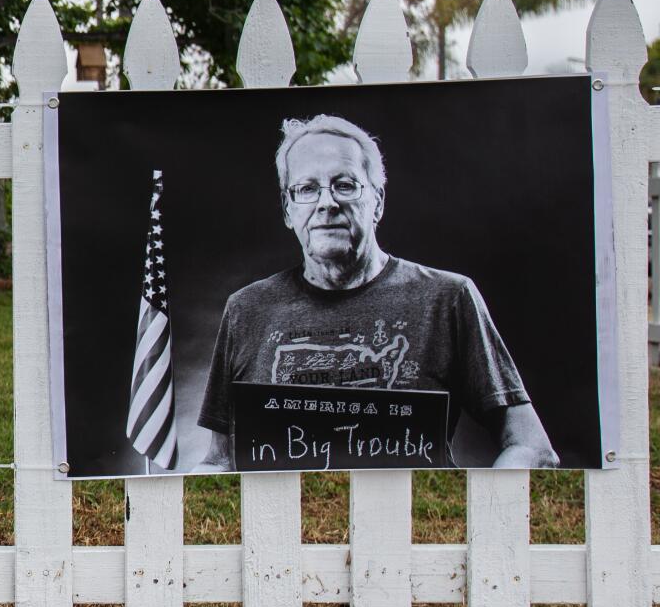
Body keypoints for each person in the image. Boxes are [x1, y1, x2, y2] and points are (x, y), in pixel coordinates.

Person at [197, 113, 557, 470]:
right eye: (307, 189)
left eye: (345, 184)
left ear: (378, 202)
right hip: (285, 526)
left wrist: (478, 505)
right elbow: (220, 462)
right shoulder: (247, 310)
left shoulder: (447, 298)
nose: (326, 203)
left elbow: (532, 447)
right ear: (288, 210)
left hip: (414, 525)